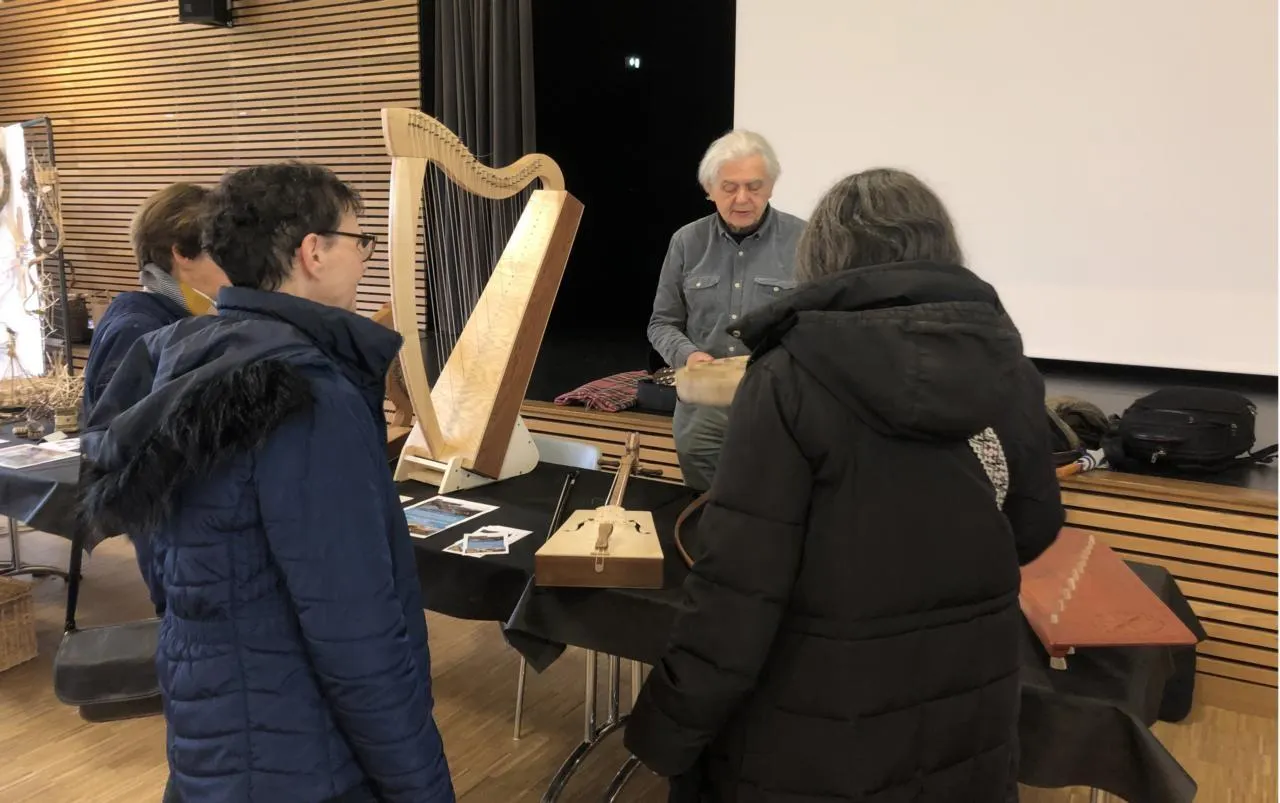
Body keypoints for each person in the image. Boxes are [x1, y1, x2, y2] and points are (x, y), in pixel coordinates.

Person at [624, 167, 1063, 802]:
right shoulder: (1011, 372)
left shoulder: (788, 376)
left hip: (820, 723)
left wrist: (667, 725)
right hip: (965, 711)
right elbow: (1032, 527)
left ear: (824, 255)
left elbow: (740, 586)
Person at [78, 161, 455, 803]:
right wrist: (423, 787)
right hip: (304, 756)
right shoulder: (306, 395)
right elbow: (356, 634)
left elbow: (171, 576)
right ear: (313, 251)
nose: (365, 257)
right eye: (359, 240)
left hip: (216, 731)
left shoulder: (187, 358)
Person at [647, 130, 805, 490]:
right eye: (729, 187)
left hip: (775, 407)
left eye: (754, 186)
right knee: (706, 510)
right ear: (709, 189)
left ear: (771, 187)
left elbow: (818, 325)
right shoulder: (686, 242)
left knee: (772, 505)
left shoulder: (804, 240)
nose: (743, 198)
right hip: (701, 414)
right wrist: (688, 356)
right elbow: (662, 323)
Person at [82, 182, 229, 417]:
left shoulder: (182, 314)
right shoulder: (137, 329)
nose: (236, 262)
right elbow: (119, 433)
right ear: (182, 253)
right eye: (223, 250)